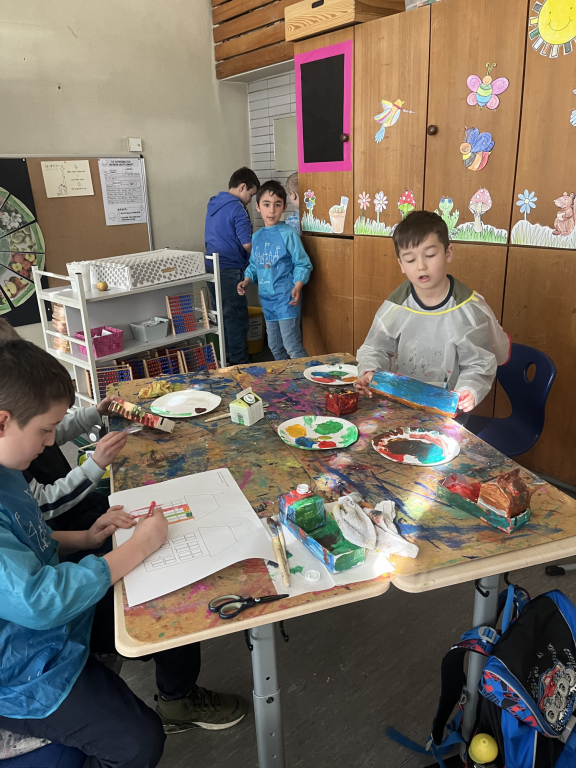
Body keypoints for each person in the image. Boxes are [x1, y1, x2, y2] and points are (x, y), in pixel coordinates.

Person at [0, 340, 246, 768]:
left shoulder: (8, 469)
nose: (50, 441)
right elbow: (39, 600)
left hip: (53, 628)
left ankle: (179, 698)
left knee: (170, 603)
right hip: (21, 670)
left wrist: (85, 539)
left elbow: (30, 537)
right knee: (138, 743)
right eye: (44, 431)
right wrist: (137, 547)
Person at [355, 211, 510, 414]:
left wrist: (469, 391)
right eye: (410, 259)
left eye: (430, 255)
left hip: (448, 408)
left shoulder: (468, 309)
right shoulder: (396, 306)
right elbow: (376, 349)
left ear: (448, 253)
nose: (421, 266)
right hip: (401, 402)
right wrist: (370, 372)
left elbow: (479, 364)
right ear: (401, 264)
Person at [0, 319, 124, 532]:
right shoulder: (10, 471)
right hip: (66, 523)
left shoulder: (17, 438)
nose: (50, 440)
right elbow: (44, 504)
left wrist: (94, 413)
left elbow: (56, 431)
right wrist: (95, 464)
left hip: (78, 510)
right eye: (45, 431)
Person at [237, 180, 312, 361]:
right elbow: (254, 265)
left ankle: (309, 377)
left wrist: (298, 285)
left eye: (277, 205)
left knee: (292, 347)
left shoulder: (289, 234)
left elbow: (302, 263)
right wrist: (247, 280)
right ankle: (289, 379)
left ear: (284, 207)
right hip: (267, 302)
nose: (271, 210)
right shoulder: (257, 237)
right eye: (266, 204)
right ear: (257, 207)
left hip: (286, 299)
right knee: (275, 347)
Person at [204, 167, 260, 365]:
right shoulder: (237, 208)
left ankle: (227, 358)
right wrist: (262, 257)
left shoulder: (214, 203)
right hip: (230, 268)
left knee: (221, 316)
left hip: (211, 267)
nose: (250, 201)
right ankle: (239, 361)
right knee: (235, 317)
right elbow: (247, 243)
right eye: (251, 195)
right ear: (242, 187)